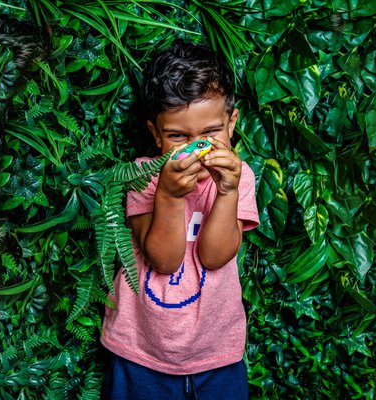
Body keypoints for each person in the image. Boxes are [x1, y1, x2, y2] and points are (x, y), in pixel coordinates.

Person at [100, 41, 260, 399]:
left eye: (210, 133)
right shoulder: (143, 176)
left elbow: (216, 256)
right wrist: (169, 196)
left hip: (217, 353)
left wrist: (228, 191)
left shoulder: (240, 177)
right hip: (140, 350)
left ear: (232, 124)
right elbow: (163, 259)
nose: (196, 148)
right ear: (156, 134)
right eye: (178, 136)